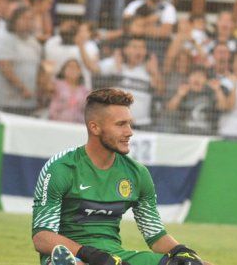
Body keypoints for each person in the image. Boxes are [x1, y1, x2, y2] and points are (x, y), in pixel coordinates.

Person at [31, 88, 212, 265]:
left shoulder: (137, 174)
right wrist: (91, 255)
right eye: (120, 124)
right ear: (94, 127)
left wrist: (184, 253)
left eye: (129, 123)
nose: (129, 132)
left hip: (116, 258)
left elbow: (155, 236)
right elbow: (41, 238)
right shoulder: (61, 168)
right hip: (72, 255)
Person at [98, 37, 163, 129]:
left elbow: (161, 91)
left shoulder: (148, 70)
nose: (139, 51)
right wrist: (114, 64)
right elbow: (94, 69)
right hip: (117, 124)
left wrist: (155, 72)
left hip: (142, 125)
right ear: (125, 50)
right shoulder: (116, 66)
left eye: (142, 47)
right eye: (135, 47)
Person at [0, 6, 42, 115]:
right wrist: (22, 88)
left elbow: (39, 69)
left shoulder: (35, 43)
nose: (28, 22)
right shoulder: (5, 41)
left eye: (31, 19)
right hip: (7, 103)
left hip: (29, 103)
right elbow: (5, 67)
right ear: (14, 21)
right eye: (24, 18)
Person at [48, 59, 90, 124]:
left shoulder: (84, 91)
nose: (72, 70)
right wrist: (49, 72)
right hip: (57, 124)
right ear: (64, 70)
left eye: (75, 67)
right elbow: (47, 86)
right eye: (69, 67)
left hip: (77, 125)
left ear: (80, 71)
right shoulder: (57, 84)